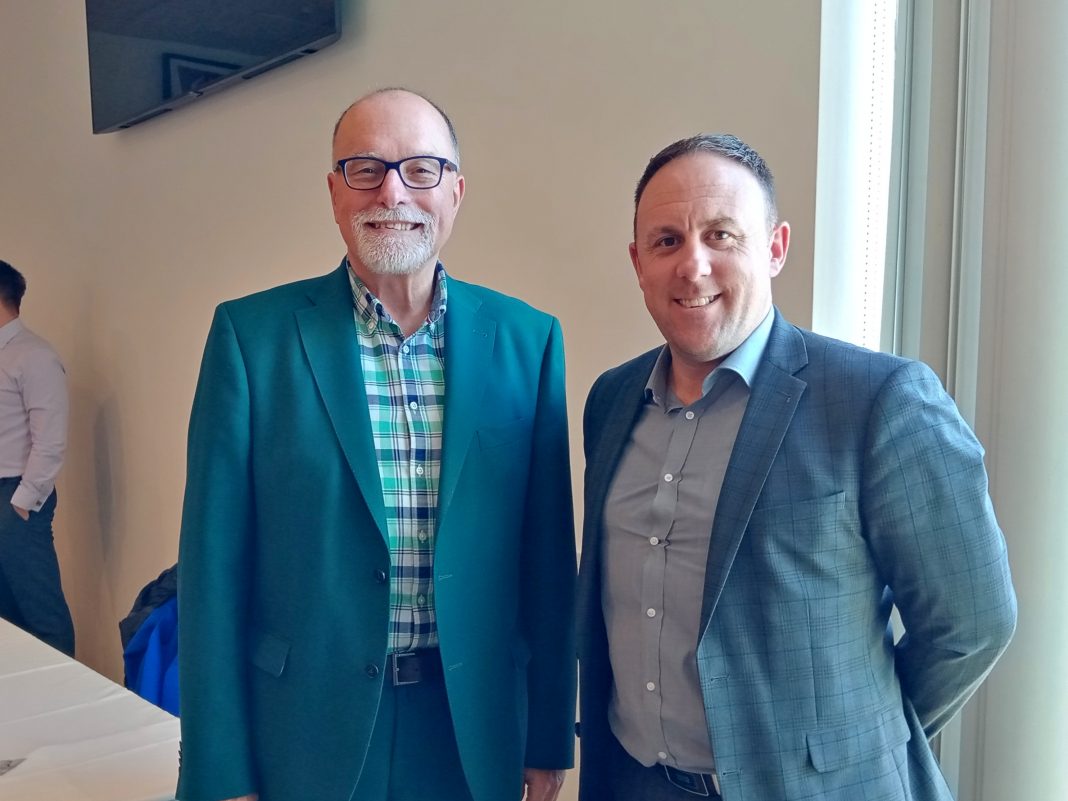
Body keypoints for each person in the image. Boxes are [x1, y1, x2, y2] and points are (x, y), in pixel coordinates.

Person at [576, 134, 1017, 801]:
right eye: (667, 241)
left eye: (722, 235)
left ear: (775, 247)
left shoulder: (879, 400)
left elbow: (973, 624)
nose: (693, 265)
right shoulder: (611, 399)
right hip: (634, 782)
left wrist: (854, 742)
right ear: (639, 263)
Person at [177, 88, 576, 801]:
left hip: (471, 727)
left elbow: (548, 565)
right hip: (303, 727)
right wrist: (220, 771)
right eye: (365, 169)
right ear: (334, 193)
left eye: (421, 169)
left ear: (455, 192)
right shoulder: (251, 339)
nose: (393, 192)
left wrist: (548, 736)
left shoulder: (529, 340)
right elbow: (212, 573)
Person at [0, 259, 74, 657]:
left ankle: (65, 692)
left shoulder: (34, 355)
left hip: (14, 496)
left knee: (41, 613)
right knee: (6, 617)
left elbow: (50, 439)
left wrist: (23, 502)